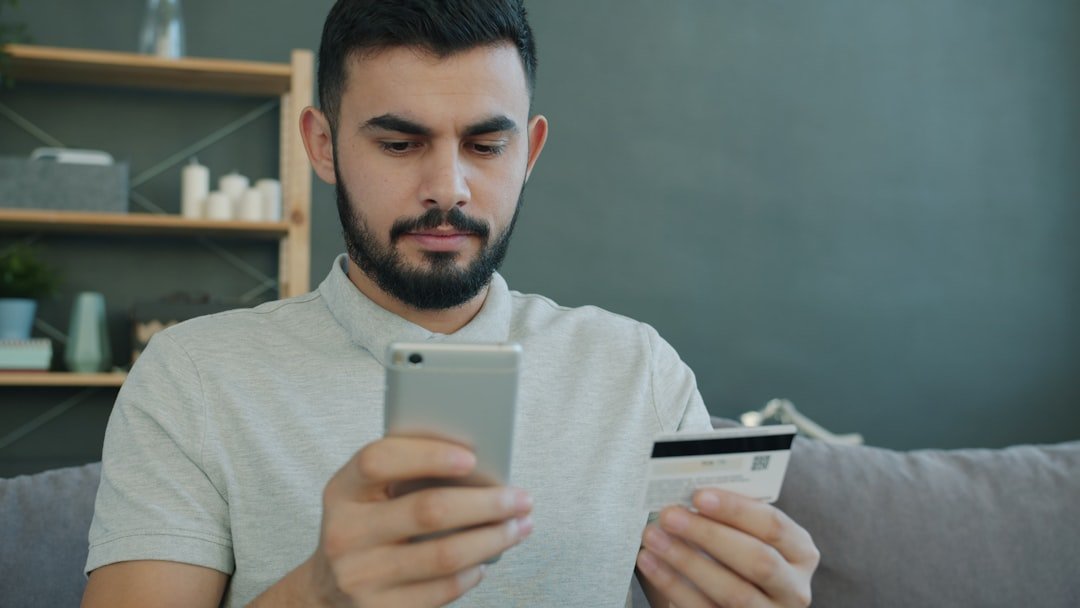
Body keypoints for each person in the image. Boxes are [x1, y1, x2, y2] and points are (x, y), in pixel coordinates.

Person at [82, 1, 820, 606]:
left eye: (484, 146)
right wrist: (316, 596)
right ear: (321, 145)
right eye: (400, 144)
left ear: (528, 152)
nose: (448, 188)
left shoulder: (637, 371)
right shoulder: (194, 377)